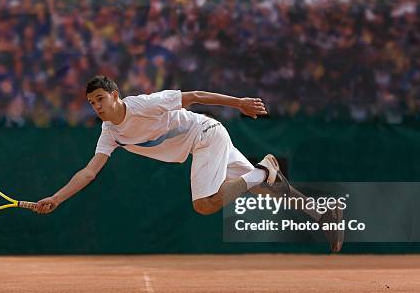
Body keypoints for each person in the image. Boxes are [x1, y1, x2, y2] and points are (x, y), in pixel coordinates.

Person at [34, 75, 344, 252]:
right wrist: (57, 198)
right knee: (265, 191)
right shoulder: (109, 134)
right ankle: (323, 212)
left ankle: (265, 168)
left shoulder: (144, 104)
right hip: (204, 144)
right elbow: (89, 172)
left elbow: (194, 95)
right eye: (91, 103)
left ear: (115, 95)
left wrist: (238, 103)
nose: (96, 106)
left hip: (205, 136)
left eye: (100, 98)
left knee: (205, 204)